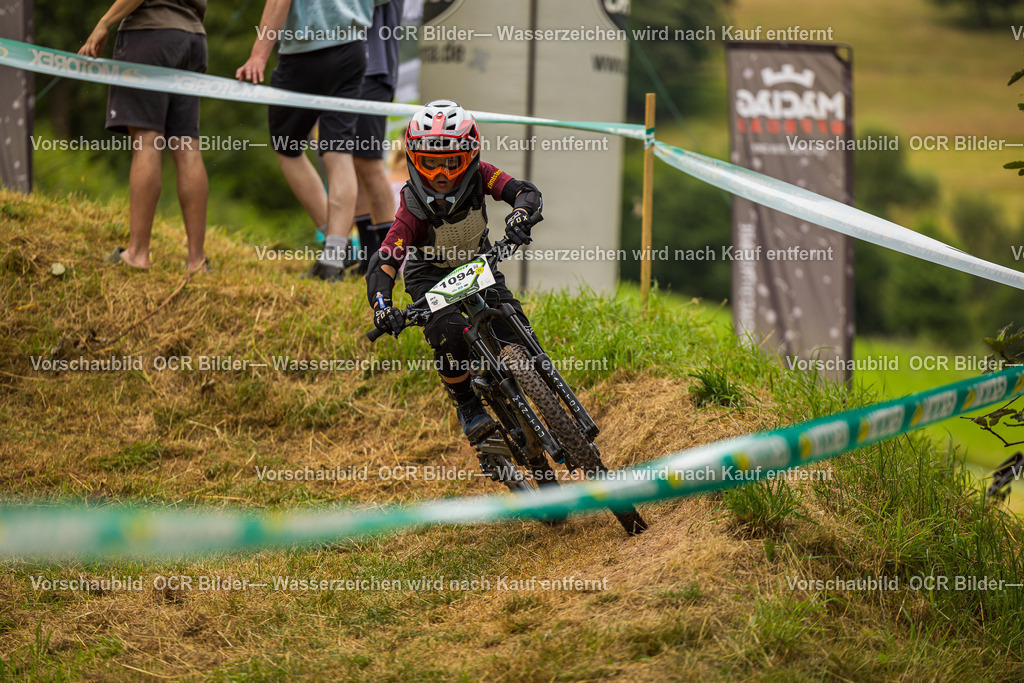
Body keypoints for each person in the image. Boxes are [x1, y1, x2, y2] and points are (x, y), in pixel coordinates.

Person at [367, 100, 543, 444]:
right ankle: (468, 405)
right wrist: (382, 307)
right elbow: (385, 261)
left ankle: (543, 387)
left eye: (452, 163)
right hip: (429, 276)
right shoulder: (412, 209)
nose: (442, 175)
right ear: (415, 160)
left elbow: (524, 192)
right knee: (449, 331)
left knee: (515, 326)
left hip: (477, 265)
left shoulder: (481, 177)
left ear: (470, 156)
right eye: (432, 164)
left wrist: (520, 215)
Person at [236, 0, 385, 281]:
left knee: (287, 147)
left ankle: (334, 246)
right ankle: (334, 255)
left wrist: (258, 55)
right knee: (339, 152)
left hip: (305, 51)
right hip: (353, 49)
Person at [80, 0, 209, 273]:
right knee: (187, 145)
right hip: (194, 37)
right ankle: (196, 261)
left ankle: (137, 253)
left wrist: (104, 23)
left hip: (150, 33)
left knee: (147, 140)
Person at [351, 0, 403, 274]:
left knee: (368, 162)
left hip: (374, 71)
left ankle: (387, 262)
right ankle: (368, 256)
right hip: (354, 69)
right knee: (353, 163)